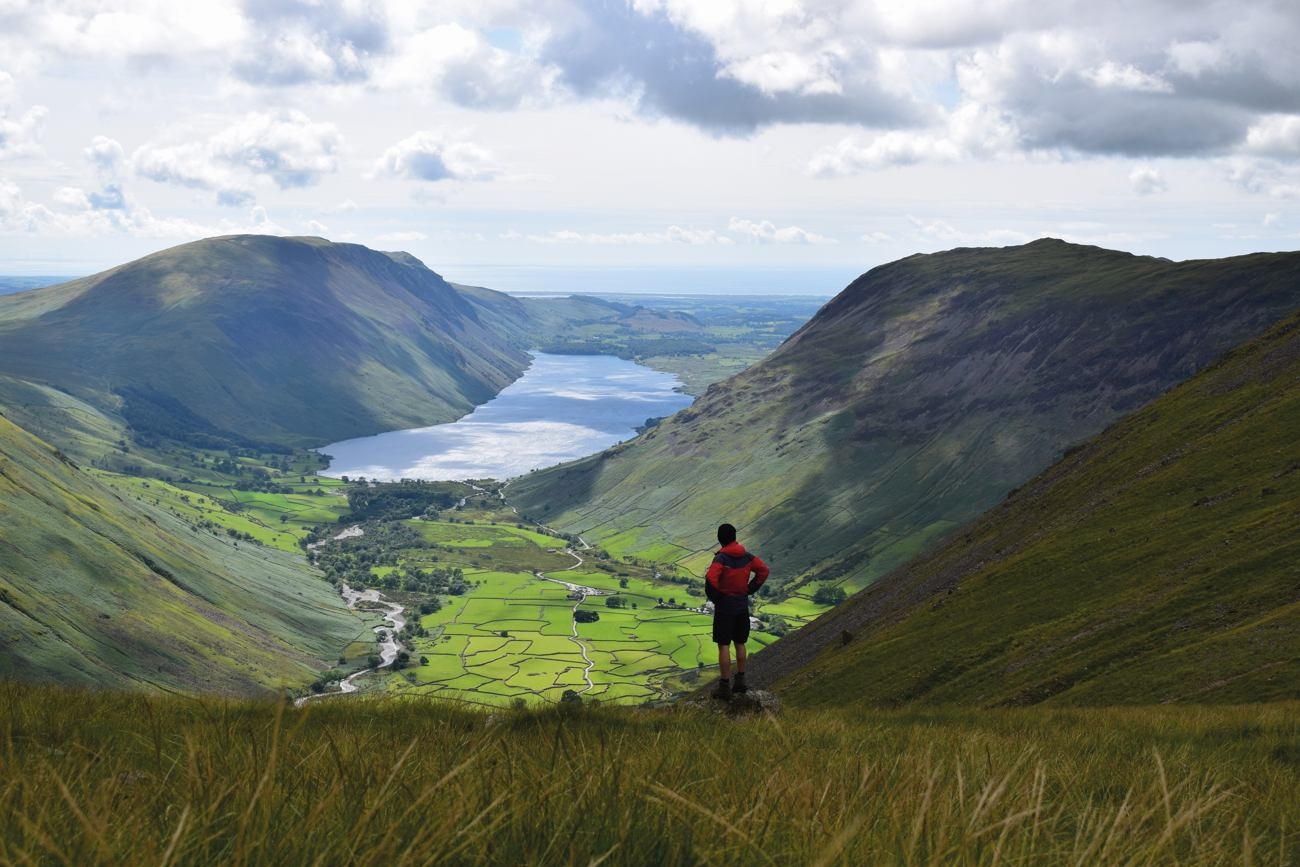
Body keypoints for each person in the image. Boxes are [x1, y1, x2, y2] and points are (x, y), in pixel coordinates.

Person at [704, 522, 769, 700]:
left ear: (720, 539)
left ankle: (724, 686)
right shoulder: (747, 556)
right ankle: (740, 681)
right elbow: (763, 570)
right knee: (740, 643)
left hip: (725, 607)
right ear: (734, 537)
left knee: (723, 645)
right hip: (741, 605)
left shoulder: (721, 558)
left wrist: (717, 597)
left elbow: (711, 579)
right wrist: (749, 589)